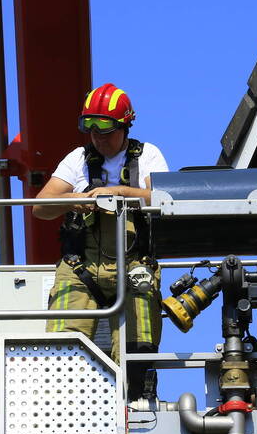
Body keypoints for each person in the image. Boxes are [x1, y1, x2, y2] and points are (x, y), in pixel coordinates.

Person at [32, 83, 167, 400]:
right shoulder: (77, 159)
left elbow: (164, 199)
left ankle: (135, 408)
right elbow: (40, 208)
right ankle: (64, 412)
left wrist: (120, 193)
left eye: (105, 129)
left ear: (125, 125)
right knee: (61, 352)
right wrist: (73, 199)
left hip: (135, 267)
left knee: (139, 347)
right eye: (90, 128)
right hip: (80, 268)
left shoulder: (147, 156)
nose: (97, 137)